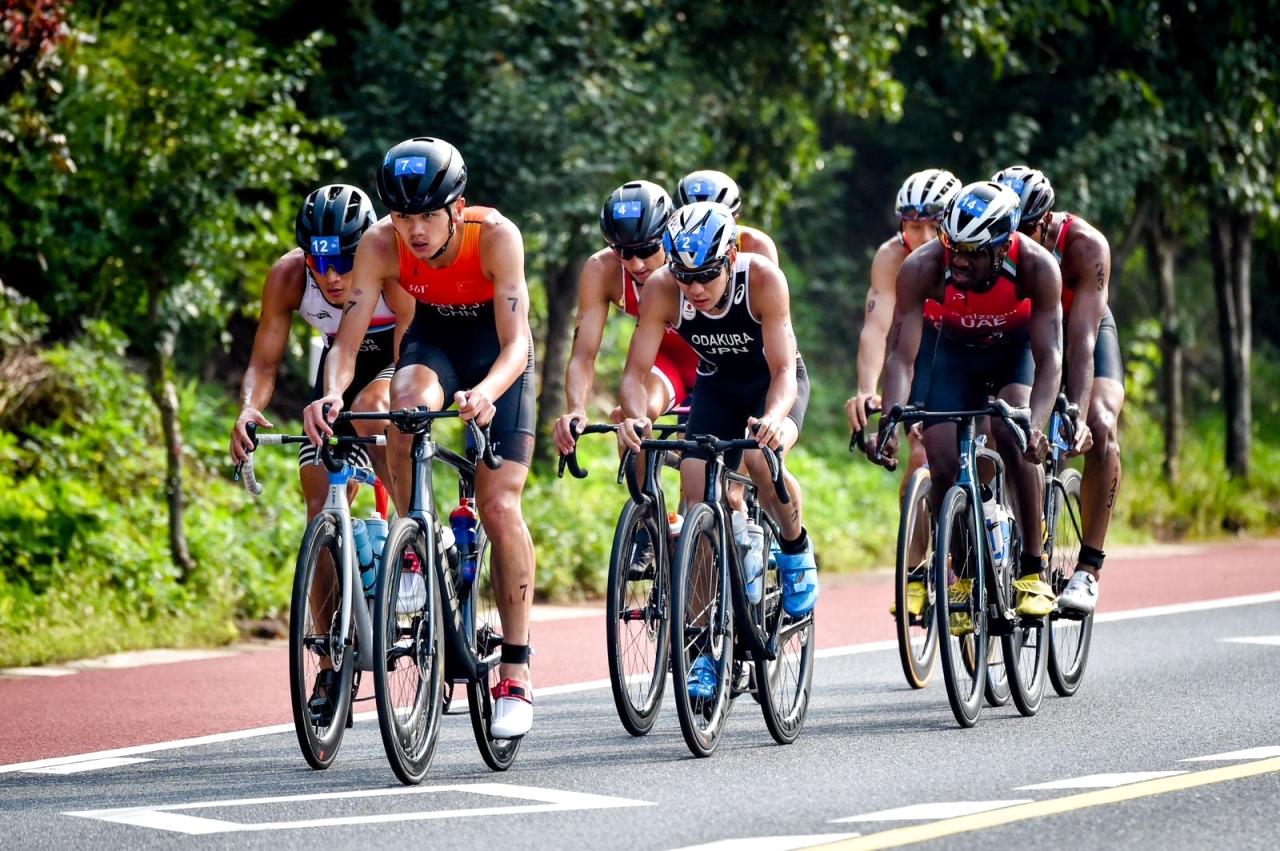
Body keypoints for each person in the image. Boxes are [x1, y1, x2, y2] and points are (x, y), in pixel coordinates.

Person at [302, 137, 538, 739]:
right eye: (403, 215)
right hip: (435, 342)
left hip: (498, 356)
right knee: (402, 411)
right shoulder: (381, 245)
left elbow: (516, 344)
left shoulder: (496, 237)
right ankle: (420, 532)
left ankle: (515, 669)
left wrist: (486, 392)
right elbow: (347, 345)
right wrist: (333, 393)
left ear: (456, 208)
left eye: (427, 215)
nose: (414, 230)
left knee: (497, 504)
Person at [617, 201, 817, 697]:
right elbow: (634, 374)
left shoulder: (763, 280)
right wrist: (636, 416)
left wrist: (773, 420)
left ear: (730, 256)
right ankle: (706, 646)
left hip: (774, 384)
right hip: (717, 386)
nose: (695, 289)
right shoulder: (664, 288)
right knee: (694, 495)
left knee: (758, 457)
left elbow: (783, 372)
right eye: (685, 276)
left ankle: (794, 547)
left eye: (706, 274)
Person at [866, 181, 1063, 623]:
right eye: (952, 246)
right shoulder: (923, 267)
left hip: (1017, 355)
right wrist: (890, 419)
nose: (958, 260)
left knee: (1012, 435)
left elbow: (1051, 358)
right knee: (939, 462)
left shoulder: (1036, 266)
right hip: (955, 355)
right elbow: (901, 355)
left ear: (1002, 247)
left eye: (973, 252)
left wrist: (1037, 423)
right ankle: (966, 574)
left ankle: (1033, 569)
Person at [230, 184, 404, 522]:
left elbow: (409, 354)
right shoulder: (289, 276)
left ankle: (418, 526)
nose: (331, 276)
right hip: (339, 366)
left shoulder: (391, 269)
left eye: (343, 261)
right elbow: (263, 366)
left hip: (395, 358)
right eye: (318, 261)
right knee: (321, 505)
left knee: (373, 406)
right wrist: (249, 408)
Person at [993, 165, 1122, 615]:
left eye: (1027, 230)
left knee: (1102, 427)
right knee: (1011, 417)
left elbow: (1082, 344)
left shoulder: (1086, 248)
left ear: (1047, 222)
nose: (1018, 242)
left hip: (1082, 328)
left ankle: (1088, 569)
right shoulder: (997, 241)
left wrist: (1080, 416)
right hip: (1032, 331)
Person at [844, 168, 961, 617]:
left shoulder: (969, 251)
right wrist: (866, 390)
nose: (925, 235)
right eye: (914, 226)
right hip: (921, 350)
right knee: (919, 451)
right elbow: (877, 329)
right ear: (901, 226)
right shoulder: (892, 257)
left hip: (970, 345)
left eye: (934, 224)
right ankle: (914, 569)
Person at [551, 180, 699, 458]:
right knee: (634, 421)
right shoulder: (601, 269)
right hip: (667, 362)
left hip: (716, 360)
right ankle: (646, 500)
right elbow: (583, 355)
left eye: (646, 250)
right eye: (623, 252)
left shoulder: (694, 260)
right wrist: (576, 409)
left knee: (722, 486)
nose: (636, 264)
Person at [676, 169, 780, 265]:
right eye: (691, 224)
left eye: (712, 225)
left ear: (734, 221)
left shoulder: (755, 246)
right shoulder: (666, 246)